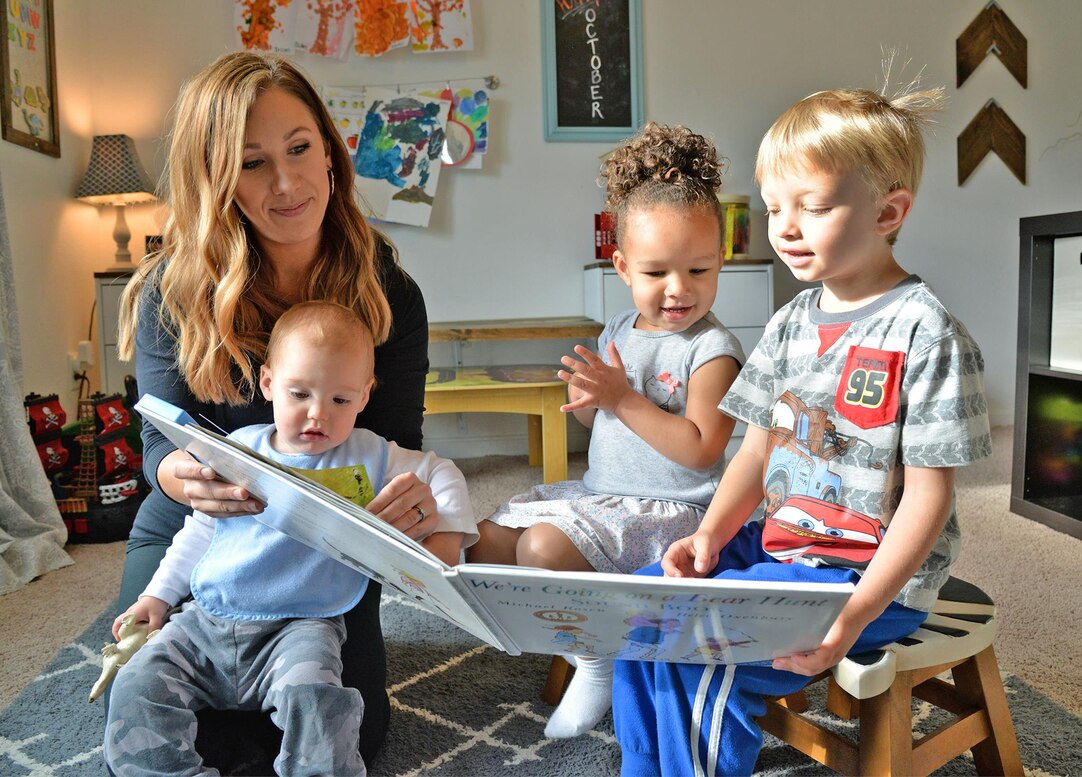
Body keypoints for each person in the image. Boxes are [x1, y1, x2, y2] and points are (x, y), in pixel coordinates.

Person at [612, 84, 992, 776]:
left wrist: (851, 618)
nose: (784, 227)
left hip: (868, 575)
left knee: (708, 648)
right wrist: (708, 536)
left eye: (811, 207)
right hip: (784, 548)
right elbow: (755, 450)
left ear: (889, 211)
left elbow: (928, 500)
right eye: (773, 207)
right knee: (643, 606)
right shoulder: (791, 322)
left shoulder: (927, 333)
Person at [114, 51, 434, 768]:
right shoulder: (174, 289)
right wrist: (180, 477)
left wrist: (408, 503)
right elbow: (156, 447)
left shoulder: (390, 294)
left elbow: (396, 442)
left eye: (299, 149)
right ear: (216, 175)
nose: (287, 182)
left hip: (325, 541)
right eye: (253, 163)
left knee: (348, 730)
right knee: (140, 715)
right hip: (192, 534)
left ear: (329, 151)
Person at [105, 302, 476, 775]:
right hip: (207, 620)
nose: (318, 414)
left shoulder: (373, 456)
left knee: (322, 703)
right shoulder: (241, 449)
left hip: (301, 628)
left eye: (341, 401)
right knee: (136, 684)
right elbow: (200, 530)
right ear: (267, 384)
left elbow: (440, 472)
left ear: (364, 396)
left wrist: (443, 543)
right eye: (299, 394)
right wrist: (157, 596)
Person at [466, 122, 745, 738]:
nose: (679, 289)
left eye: (699, 269)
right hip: (602, 495)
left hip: (673, 512)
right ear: (621, 267)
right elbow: (596, 421)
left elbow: (701, 452)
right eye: (656, 273)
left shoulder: (714, 350)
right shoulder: (618, 329)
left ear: (720, 259)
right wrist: (588, 397)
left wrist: (621, 398)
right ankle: (571, 635)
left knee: (540, 549)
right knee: (479, 541)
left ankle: (597, 658)